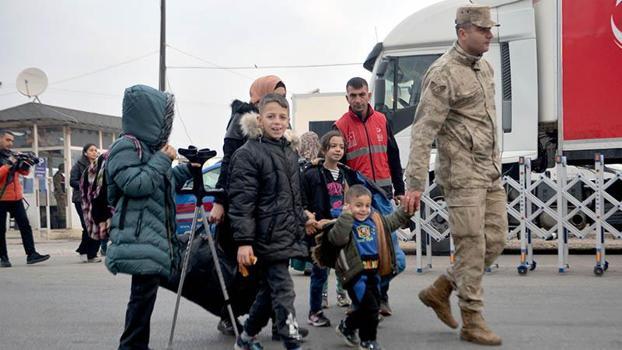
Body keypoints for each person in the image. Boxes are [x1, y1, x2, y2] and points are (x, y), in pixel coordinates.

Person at [402, 4, 507, 346]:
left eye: (491, 29)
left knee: (495, 240)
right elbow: (422, 130)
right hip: (461, 174)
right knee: (472, 244)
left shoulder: (485, 69)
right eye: (483, 29)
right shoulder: (443, 73)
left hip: (489, 170)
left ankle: (441, 287)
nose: (490, 34)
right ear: (463, 32)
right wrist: (415, 183)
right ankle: (473, 321)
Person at [209, 75, 309, 341]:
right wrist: (220, 201)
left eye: (283, 113)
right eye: (271, 113)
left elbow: (292, 191)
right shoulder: (244, 136)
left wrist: (302, 217)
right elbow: (229, 166)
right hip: (256, 220)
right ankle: (286, 331)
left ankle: (255, 332)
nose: (277, 120)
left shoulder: (287, 147)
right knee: (272, 283)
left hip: (279, 223)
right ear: (260, 111)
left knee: (268, 286)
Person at [105, 85, 193, 350]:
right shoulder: (125, 146)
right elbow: (137, 184)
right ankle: (131, 346)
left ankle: (135, 345)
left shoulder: (148, 148)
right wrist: (164, 160)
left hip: (152, 233)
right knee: (142, 296)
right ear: (150, 117)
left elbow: (161, 183)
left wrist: (188, 169)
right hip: (139, 233)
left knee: (144, 296)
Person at [334, 77, 406, 316]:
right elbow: (338, 168)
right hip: (359, 202)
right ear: (347, 98)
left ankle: (380, 294)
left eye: (361, 94)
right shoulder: (340, 126)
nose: (357, 100)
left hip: (384, 198)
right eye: (352, 96)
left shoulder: (382, 121)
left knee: (394, 256)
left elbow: (393, 156)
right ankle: (362, 300)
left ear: (369, 94)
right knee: (361, 254)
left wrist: (400, 189)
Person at [328, 185, 413, 350]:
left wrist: (406, 211)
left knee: (366, 307)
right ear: (348, 205)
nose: (363, 210)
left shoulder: (375, 221)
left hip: (373, 272)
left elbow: (393, 221)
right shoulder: (344, 222)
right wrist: (345, 216)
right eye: (358, 205)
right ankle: (368, 341)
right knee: (372, 308)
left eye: (367, 206)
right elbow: (336, 238)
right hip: (356, 274)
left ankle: (348, 326)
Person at [301, 130, 353, 327]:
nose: (338, 150)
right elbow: (302, 201)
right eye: (333, 146)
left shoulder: (345, 173)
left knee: (350, 269)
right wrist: (310, 218)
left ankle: (357, 307)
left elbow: (350, 198)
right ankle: (315, 311)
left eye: (341, 146)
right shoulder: (311, 173)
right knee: (319, 273)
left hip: (340, 228)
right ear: (324, 149)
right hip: (321, 230)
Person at [0, 130, 50, 268]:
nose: (10, 143)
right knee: (0, 230)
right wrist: (8, 165)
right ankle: (3, 258)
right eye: (8, 140)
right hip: (1, 198)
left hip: (16, 198)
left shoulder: (11, 155)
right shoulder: (6, 158)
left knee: (25, 226)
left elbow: (22, 172)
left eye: (12, 141)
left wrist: (27, 163)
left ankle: (31, 254)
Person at [70, 143, 101, 263]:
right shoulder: (78, 166)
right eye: (91, 150)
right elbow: (72, 181)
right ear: (85, 152)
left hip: (95, 199)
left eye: (95, 150)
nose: (94, 152)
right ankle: (88, 253)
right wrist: (85, 185)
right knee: (87, 226)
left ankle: (87, 252)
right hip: (81, 199)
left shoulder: (99, 165)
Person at [52, 163, 67, 227]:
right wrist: (61, 193)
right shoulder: (57, 176)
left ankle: (63, 221)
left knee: (63, 208)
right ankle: (62, 223)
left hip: (61, 194)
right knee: (61, 209)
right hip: (59, 195)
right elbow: (58, 186)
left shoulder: (60, 175)